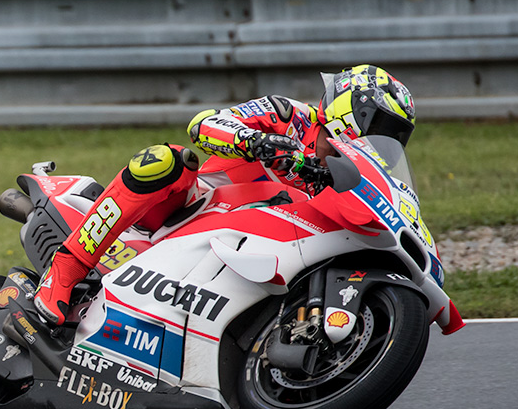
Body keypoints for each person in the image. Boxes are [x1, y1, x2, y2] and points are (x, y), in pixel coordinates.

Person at [30, 64, 417, 325]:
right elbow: (203, 124)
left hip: (246, 252)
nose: (384, 141)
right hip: (189, 211)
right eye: (381, 126)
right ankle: (66, 269)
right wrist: (256, 141)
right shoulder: (289, 115)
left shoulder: (350, 178)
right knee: (165, 160)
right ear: (354, 110)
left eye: (395, 136)